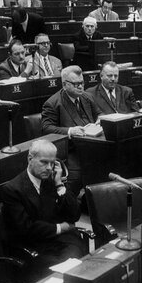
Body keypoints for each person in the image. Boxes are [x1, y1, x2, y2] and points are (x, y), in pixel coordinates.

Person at [1, 139, 85, 283]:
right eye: (44, 162)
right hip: (34, 247)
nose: (49, 168)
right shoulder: (13, 189)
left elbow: (74, 215)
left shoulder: (52, 180)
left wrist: (60, 184)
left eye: (52, 163)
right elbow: (26, 228)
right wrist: (60, 228)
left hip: (59, 242)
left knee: (78, 262)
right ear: (30, 159)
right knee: (66, 272)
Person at [41, 66, 101, 195]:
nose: (80, 87)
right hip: (71, 150)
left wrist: (100, 120)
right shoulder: (52, 103)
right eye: (76, 84)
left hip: (92, 144)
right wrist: (70, 131)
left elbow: (99, 114)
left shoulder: (87, 97)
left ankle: (94, 201)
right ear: (64, 84)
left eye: (82, 83)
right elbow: (46, 128)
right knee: (77, 175)